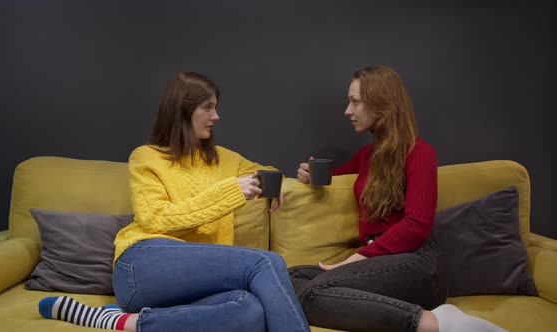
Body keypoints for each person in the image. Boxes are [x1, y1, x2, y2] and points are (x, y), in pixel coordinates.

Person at [37, 72, 310, 332]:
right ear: (183, 111)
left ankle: (121, 322)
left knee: (249, 310)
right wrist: (230, 192)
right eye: (208, 107)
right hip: (141, 267)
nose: (216, 116)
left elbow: (264, 170)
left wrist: (271, 183)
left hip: (195, 285)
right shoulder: (146, 157)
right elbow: (155, 218)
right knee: (265, 262)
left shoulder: (223, 159)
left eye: (216, 107)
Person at [289, 65, 506, 332]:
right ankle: (415, 315)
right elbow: (333, 177)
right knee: (290, 278)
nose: (347, 111)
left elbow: (417, 225)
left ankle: (440, 324)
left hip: (418, 262)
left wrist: (354, 260)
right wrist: (310, 174)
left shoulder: (420, 153)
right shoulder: (367, 156)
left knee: (314, 292)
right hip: (379, 264)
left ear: (381, 104)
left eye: (355, 102)